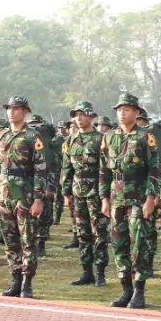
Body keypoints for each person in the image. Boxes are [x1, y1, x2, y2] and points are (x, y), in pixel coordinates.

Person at [100, 93, 161, 309]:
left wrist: (151, 199)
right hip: (117, 198)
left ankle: (139, 291)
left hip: (138, 196)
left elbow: (154, 169)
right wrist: (104, 198)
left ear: (136, 112)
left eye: (126, 109)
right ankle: (125, 289)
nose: (122, 113)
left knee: (139, 245)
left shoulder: (146, 136)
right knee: (118, 244)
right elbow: (104, 171)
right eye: (119, 110)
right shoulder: (109, 137)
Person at [0, 96, 48, 299]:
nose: (11, 112)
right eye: (9, 108)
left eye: (16, 109)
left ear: (25, 111)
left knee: (28, 240)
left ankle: (27, 282)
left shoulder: (33, 137)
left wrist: (38, 199)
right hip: (3, 193)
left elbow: (40, 170)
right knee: (10, 240)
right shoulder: (2, 136)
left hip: (24, 194)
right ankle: (15, 279)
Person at [62, 101, 108, 287]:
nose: (79, 118)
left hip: (95, 192)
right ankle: (86, 272)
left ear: (91, 117)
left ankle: (101, 273)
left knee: (99, 233)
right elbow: (67, 168)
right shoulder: (70, 141)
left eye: (83, 114)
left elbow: (106, 169)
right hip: (77, 192)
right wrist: (66, 193)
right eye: (76, 115)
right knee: (82, 233)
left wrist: (105, 195)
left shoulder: (100, 139)